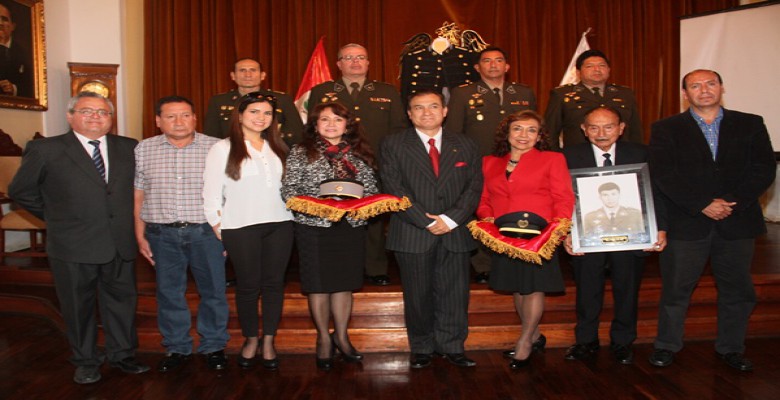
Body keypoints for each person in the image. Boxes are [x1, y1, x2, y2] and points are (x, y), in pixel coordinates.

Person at [8, 92, 149, 384]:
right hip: (72, 244)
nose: (95, 117)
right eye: (87, 111)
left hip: (119, 243)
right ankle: (85, 361)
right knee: (78, 306)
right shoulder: (46, 149)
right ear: (71, 116)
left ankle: (122, 354)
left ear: (111, 119)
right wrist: (56, 218)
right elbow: (21, 191)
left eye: (103, 112)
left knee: (121, 303)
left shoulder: (129, 147)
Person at [647, 69, 776, 371]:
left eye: (710, 84)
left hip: (737, 220)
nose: (704, 90)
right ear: (685, 94)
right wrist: (702, 204)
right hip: (687, 224)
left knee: (737, 290)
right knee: (676, 290)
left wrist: (732, 203)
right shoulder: (666, 128)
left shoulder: (750, 123)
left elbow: (763, 168)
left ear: (722, 88)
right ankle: (667, 346)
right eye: (695, 85)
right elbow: (664, 174)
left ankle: (731, 348)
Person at [380, 89, 483, 369]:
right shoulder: (393, 144)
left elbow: (474, 187)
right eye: (419, 108)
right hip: (412, 231)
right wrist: (424, 220)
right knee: (417, 293)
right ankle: (422, 347)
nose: (427, 112)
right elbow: (392, 187)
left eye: (434, 106)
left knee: (456, 292)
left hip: (455, 231)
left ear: (445, 111)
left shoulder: (465, 144)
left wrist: (451, 219)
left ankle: (453, 346)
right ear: (409, 113)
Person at [562, 106, 667, 365]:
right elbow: (559, 198)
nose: (601, 133)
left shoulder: (642, 153)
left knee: (627, 288)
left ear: (621, 129)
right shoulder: (566, 156)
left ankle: (622, 341)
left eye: (608, 127)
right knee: (587, 290)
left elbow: (658, 192)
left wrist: (660, 227)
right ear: (584, 130)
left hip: (632, 234)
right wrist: (566, 232)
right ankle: (586, 340)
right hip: (587, 236)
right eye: (594, 127)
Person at [134, 96, 229, 372]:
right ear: (158, 121)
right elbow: (139, 194)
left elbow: (230, 193)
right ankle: (177, 348)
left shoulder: (216, 147)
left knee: (213, 292)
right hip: (162, 235)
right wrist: (139, 235)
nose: (179, 121)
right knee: (169, 293)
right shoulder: (144, 149)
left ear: (195, 118)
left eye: (185, 115)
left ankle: (213, 346)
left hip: (206, 234)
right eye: (171, 116)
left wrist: (228, 234)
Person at [281, 102, 379, 371]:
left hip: (350, 227)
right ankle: (324, 338)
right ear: (315, 124)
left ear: (348, 124)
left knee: (344, 284)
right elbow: (289, 190)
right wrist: (320, 207)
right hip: (314, 227)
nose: (332, 124)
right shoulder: (302, 151)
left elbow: (371, 189)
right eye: (325, 120)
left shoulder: (360, 153)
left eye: (338, 119)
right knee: (318, 284)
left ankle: (342, 336)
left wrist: (358, 209)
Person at [477, 110, 574, 369]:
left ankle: (524, 341)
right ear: (506, 133)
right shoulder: (489, 162)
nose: (524, 135)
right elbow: (484, 199)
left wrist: (557, 232)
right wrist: (488, 223)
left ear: (539, 136)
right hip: (504, 237)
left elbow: (564, 198)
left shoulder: (552, 159)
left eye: (531, 130)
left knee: (533, 286)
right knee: (518, 287)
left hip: (540, 236)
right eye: (518, 128)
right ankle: (534, 334)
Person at [203, 92, 294, 370]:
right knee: (248, 286)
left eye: (267, 113)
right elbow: (210, 191)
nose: (261, 118)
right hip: (240, 226)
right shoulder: (223, 148)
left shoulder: (278, 146)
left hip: (280, 223)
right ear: (240, 115)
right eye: (254, 112)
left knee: (273, 285)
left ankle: (268, 339)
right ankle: (250, 338)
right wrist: (219, 226)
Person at [308, 43, 408, 286]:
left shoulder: (387, 91)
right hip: (333, 165)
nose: (355, 62)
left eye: (360, 57)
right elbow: (312, 130)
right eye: (349, 58)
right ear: (339, 64)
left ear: (368, 63)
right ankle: (341, 266)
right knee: (336, 217)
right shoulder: (323, 90)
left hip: (375, 164)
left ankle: (375, 268)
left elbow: (398, 130)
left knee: (372, 218)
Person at [445, 46, 537, 284]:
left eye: (499, 60)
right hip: (479, 166)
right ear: (477, 67)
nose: (493, 65)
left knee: (512, 210)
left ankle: (516, 256)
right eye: (487, 61)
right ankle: (483, 264)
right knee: (482, 214)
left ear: (507, 66)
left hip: (519, 164)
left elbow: (535, 129)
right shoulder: (462, 94)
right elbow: (454, 134)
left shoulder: (524, 92)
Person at [544, 50, 642, 151]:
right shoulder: (561, 94)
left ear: (609, 70)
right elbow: (550, 132)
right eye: (589, 66)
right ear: (578, 72)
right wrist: (556, 158)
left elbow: (635, 130)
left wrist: (637, 154)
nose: (597, 69)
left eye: (602, 65)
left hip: (621, 155)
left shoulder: (625, 93)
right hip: (578, 157)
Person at [204, 58, 303, 145]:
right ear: (233, 75)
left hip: (273, 151)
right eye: (242, 70)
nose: (248, 75)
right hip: (230, 153)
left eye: (253, 70)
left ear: (262, 75)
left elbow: (295, 133)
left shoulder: (282, 99)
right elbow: (211, 136)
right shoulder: (218, 101)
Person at [0, 1, 33, 97]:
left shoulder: (25, 54)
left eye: (4, 19)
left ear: (12, 26)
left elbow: (32, 86)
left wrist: (14, 89)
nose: (0, 23)